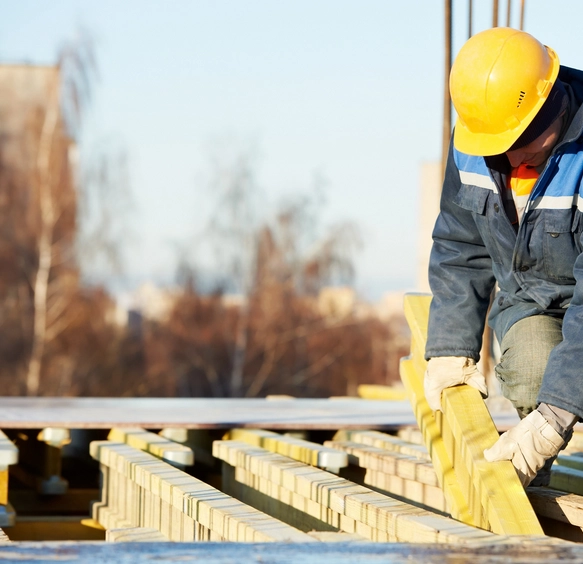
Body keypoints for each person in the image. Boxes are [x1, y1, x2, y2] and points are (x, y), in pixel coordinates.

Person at [423, 26, 583, 487]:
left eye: (518, 144)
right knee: (533, 369)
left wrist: (556, 414)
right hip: (531, 304)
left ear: (552, 109)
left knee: (562, 397)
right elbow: (459, 244)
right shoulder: (478, 139)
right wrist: (450, 349)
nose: (508, 162)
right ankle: (533, 492)